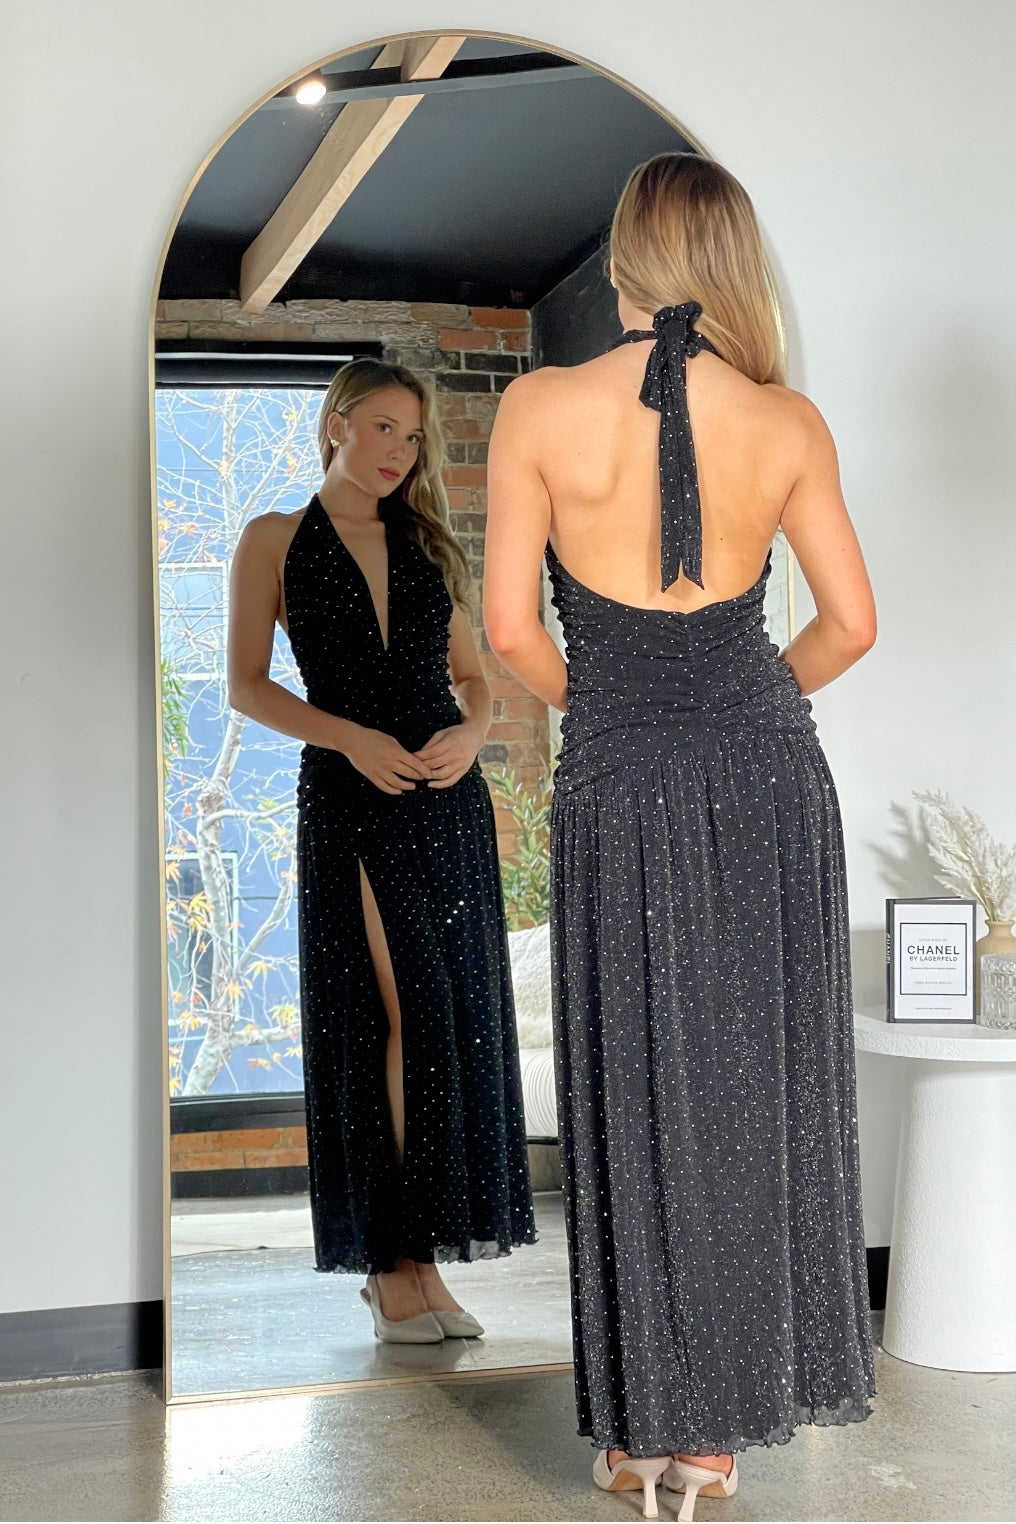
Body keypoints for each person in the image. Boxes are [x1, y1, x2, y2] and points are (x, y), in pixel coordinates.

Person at [484, 153, 877, 1519]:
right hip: (768, 779)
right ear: (733, 263)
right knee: (755, 1094)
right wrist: (743, 706)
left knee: (636, 1090)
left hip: (618, 773)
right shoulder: (786, 420)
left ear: (622, 262)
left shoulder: (537, 408)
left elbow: (511, 632)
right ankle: (716, 1442)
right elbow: (849, 626)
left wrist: (620, 713)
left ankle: (644, 1433)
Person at [228, 358, 536, 1344]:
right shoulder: (273, 540)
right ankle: (390, 1265)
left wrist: (473, 734)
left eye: (413, 436)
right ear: (338, 423)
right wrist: (350, 739)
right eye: (383, 428)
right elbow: (245, 685)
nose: (400, 450)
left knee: (446, 1024)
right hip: (353, 794)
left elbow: (471, 678)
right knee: (401, 1012)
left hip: (444, 797)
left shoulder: (427, 543)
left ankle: (422, 1264)